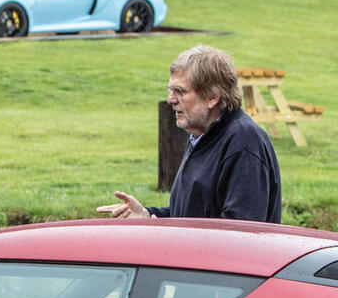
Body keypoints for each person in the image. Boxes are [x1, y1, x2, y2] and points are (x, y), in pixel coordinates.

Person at [98, 44, 281, 223]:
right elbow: (192, 217)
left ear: (212, 97)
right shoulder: (202, 136)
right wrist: (149, 216)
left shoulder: (243, 142)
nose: (171, 100)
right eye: (170, 90)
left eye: (180, 91)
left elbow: (241, 232)